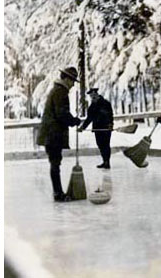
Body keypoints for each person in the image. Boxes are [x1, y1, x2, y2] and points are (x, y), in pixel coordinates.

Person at [37, 67, 82, 202]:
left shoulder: (57, 90)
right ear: (66, 79)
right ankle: (58, 193)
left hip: (51, 134)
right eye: (72, 81)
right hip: (53, 135)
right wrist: (74, 121)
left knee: (55, 163)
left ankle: (58, 192)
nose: (73, 84)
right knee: (55, 164)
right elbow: (61, 114)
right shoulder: (60, 92)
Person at [78, 88, 115, 169]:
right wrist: (82, 127)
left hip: (106, 128)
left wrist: (110, 125)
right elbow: (89, 119)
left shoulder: (106, 103)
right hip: (97, 129)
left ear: (96, 94)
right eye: (91, 96)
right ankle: (104, 160)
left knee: (106, 145)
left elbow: (110, 116)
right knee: (100, 145)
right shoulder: (91, 107)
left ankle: (107, 162)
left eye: (93, 95)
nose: (92, 97)